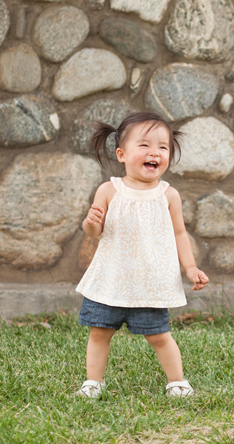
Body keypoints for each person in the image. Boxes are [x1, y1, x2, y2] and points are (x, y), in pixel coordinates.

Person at [75, 112, 209, 399]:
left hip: (150, 284)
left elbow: (179, 234)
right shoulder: (109, 190)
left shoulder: (168, 195)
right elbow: (94, 231)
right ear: (121, 154)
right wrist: (90, 222)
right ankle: (93, 383)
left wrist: (190, 267)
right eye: (145, 145)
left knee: (160, 336)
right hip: (111, 280)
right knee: (99, 333)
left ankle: (177, 382)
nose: (155, 152)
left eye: (163, 147)